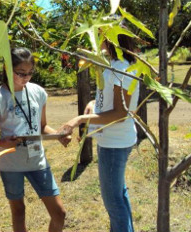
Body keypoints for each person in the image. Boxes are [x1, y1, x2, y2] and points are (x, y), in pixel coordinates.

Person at [0, 47, 66, 232]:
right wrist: (4, 143)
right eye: (21, 73)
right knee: (19, 212)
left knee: (59, 213)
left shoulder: (38, 92)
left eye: (30, 73)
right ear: (7, 69)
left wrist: (58, 135)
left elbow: (42, 126)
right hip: (11, 162)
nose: (26, 78)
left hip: (37, 160)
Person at [59, 34, 139, 232]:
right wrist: (93, 104)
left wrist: (80, 119)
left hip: (115, 143)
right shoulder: (112, 64)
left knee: (113, 202)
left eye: (100, 34)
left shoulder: (120, 69)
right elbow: (109, 101)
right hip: (113, 140)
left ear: (110, 39)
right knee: (119, 195)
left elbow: (121, 114)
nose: (95, 38)